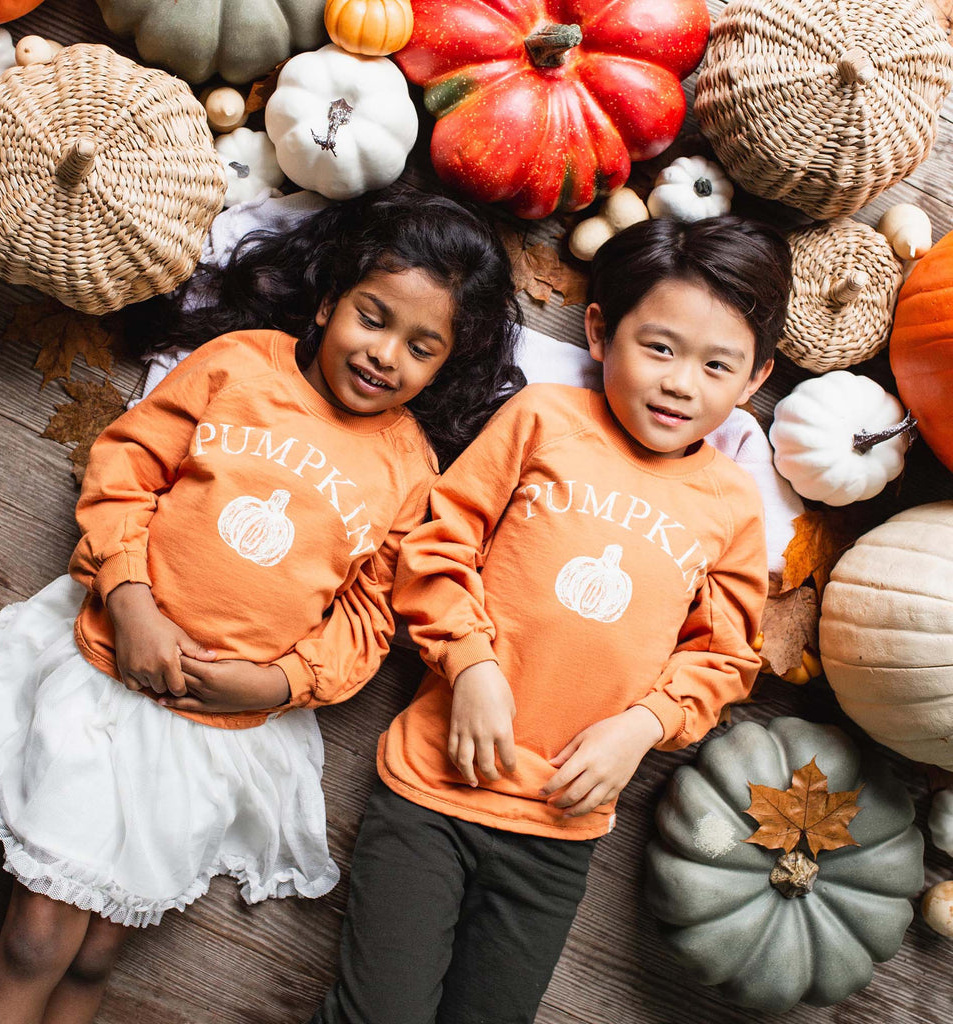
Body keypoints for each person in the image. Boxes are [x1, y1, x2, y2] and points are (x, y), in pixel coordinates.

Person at [0, 187, 523, 1024]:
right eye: (373, 317)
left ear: (444, 366)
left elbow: (369, 620)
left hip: (217, 732)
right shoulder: (239, 366)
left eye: (421, 347)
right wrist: (133, 601)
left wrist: (276, 685)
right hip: (110, 670)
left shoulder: (411, 471)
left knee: (97, 955)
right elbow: (124, 471)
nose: (385, 354)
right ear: (330, 301)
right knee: (38, 938)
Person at [309, 214, 793, 1024]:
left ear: (753, 381)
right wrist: (471, 664)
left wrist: (641, 726)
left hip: (561, 828)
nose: (681, 383)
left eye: (718, 366)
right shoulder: (544, 421)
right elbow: (435, 547)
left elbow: (724, 657)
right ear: (600, 332)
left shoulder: (732, 507)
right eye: (661, 348)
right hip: (434, 792)